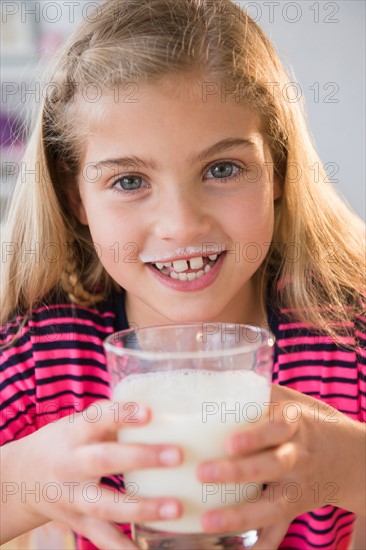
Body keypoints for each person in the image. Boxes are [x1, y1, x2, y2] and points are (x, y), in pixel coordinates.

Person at [1, 0, 365, 549]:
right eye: (128, 181)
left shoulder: (345, 339)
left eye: (222, 169)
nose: (180, 225)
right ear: (76, 197)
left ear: (280, 173)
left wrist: (352, 464)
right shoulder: (41, 353)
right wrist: (21, 484)